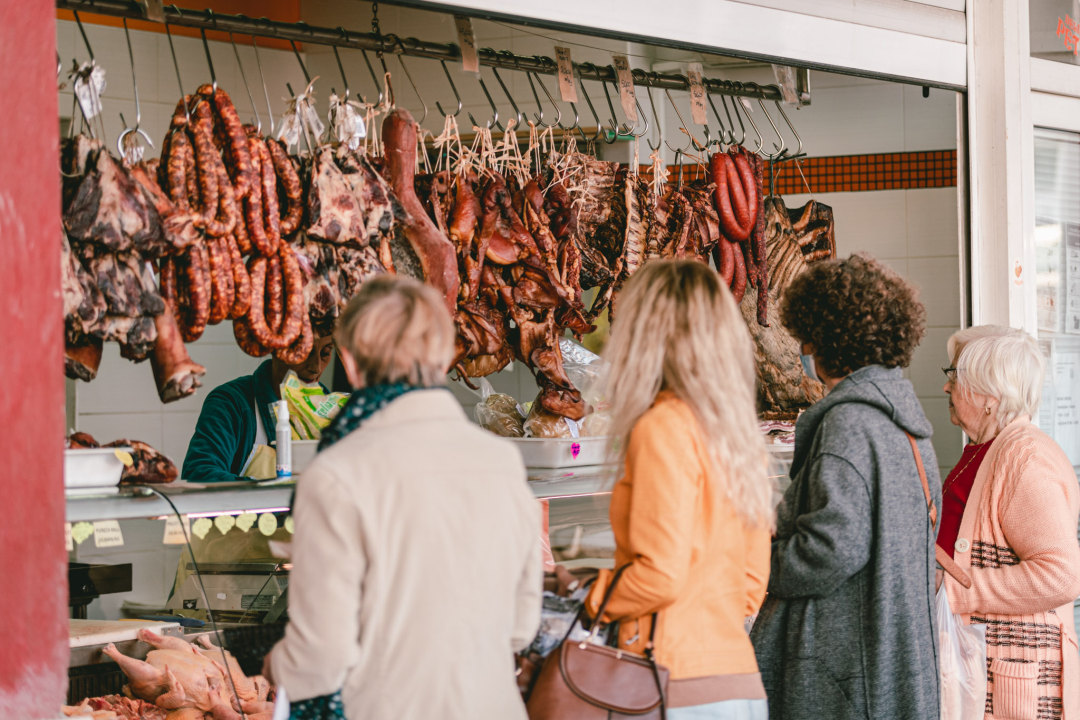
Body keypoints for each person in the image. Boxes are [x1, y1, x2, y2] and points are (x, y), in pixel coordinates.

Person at [263, 275, 541, 719]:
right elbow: (522, 625)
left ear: (351, 363)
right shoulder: (502, 461)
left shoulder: (337, 473)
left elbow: (322, 656)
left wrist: (277, 668)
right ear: (440, 355)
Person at [750, 253, 940, 720]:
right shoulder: (904, 421)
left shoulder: (850, 423)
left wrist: (753, 558)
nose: (802, 351)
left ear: (823, 338)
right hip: (891, 667)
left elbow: (829, 549)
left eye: (803, 338)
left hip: (843, 676)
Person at [583, 260, 774, 719]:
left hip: (673, 682)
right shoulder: (736, 434)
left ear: (649, 337)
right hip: (739, 685)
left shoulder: (662, 427)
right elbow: (752, 584)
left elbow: (660, 574)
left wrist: (593, 595)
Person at [938, 325, 1080, 719]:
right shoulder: (986, 447)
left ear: (988, 396)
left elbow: (1062, 575)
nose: (947, 389)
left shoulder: (1025, 459)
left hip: (1015, 685)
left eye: (954, 377)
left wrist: (958, 591)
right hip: (983, 665)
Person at [182, 331, 336, 483]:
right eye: (304, 351)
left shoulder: (334, 411)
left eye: (325, 353)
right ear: (275, 347)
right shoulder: (231, 403)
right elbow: (199, 475)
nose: (316, 367)